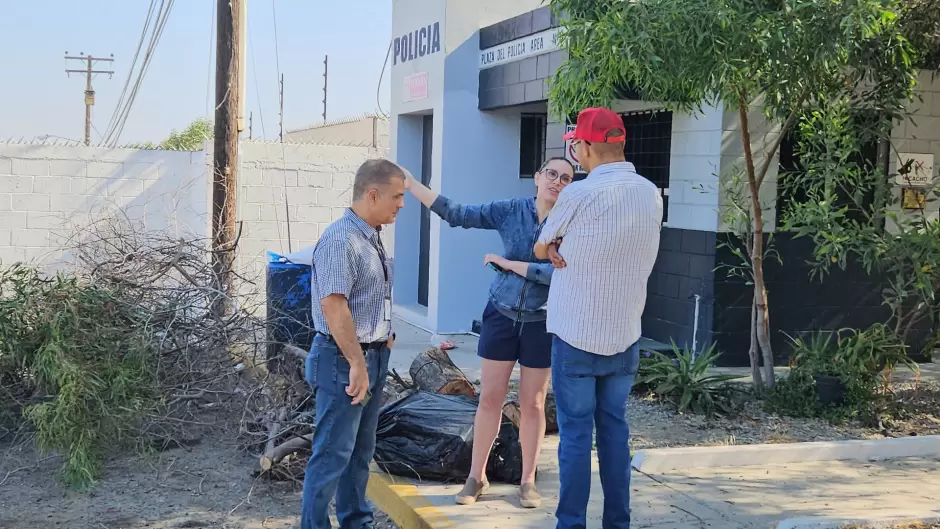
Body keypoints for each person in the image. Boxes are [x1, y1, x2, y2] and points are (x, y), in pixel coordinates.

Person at [403, 157, 576, 509]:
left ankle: (527, 480)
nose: (557, 182)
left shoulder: (571, 223)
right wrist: (411, 184)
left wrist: (511, 265)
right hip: (501, 315)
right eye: (551, 174)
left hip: (542, 322)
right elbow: (457, 213)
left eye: (566, 178)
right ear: (537, 177)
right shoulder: (511, 210)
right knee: (490, 398)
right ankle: (475, 476)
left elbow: (560, 274)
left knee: (533, 403)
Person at [534, 108, 662, 529]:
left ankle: (571, 524)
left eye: (577, 145)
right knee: (614, 433)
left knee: (574, 437)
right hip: (625, 333)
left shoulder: (578, 193)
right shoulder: (651, 193)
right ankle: (617, 523)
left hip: (575, 335)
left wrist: (555, 246)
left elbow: (540, 246)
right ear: (620, 143)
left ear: (586, 146)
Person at [301, 159, 406, 529]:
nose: (402, 204)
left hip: (371, 356)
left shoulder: (371, 235)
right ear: (372, 194)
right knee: (332, 455)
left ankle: (356, 522)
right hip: (344, 361)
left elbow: (366, 297)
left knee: (360, 453)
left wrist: (383, 337)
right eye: (397, 196)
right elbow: (334, 305)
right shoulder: (341, 239)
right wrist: (358, 363)